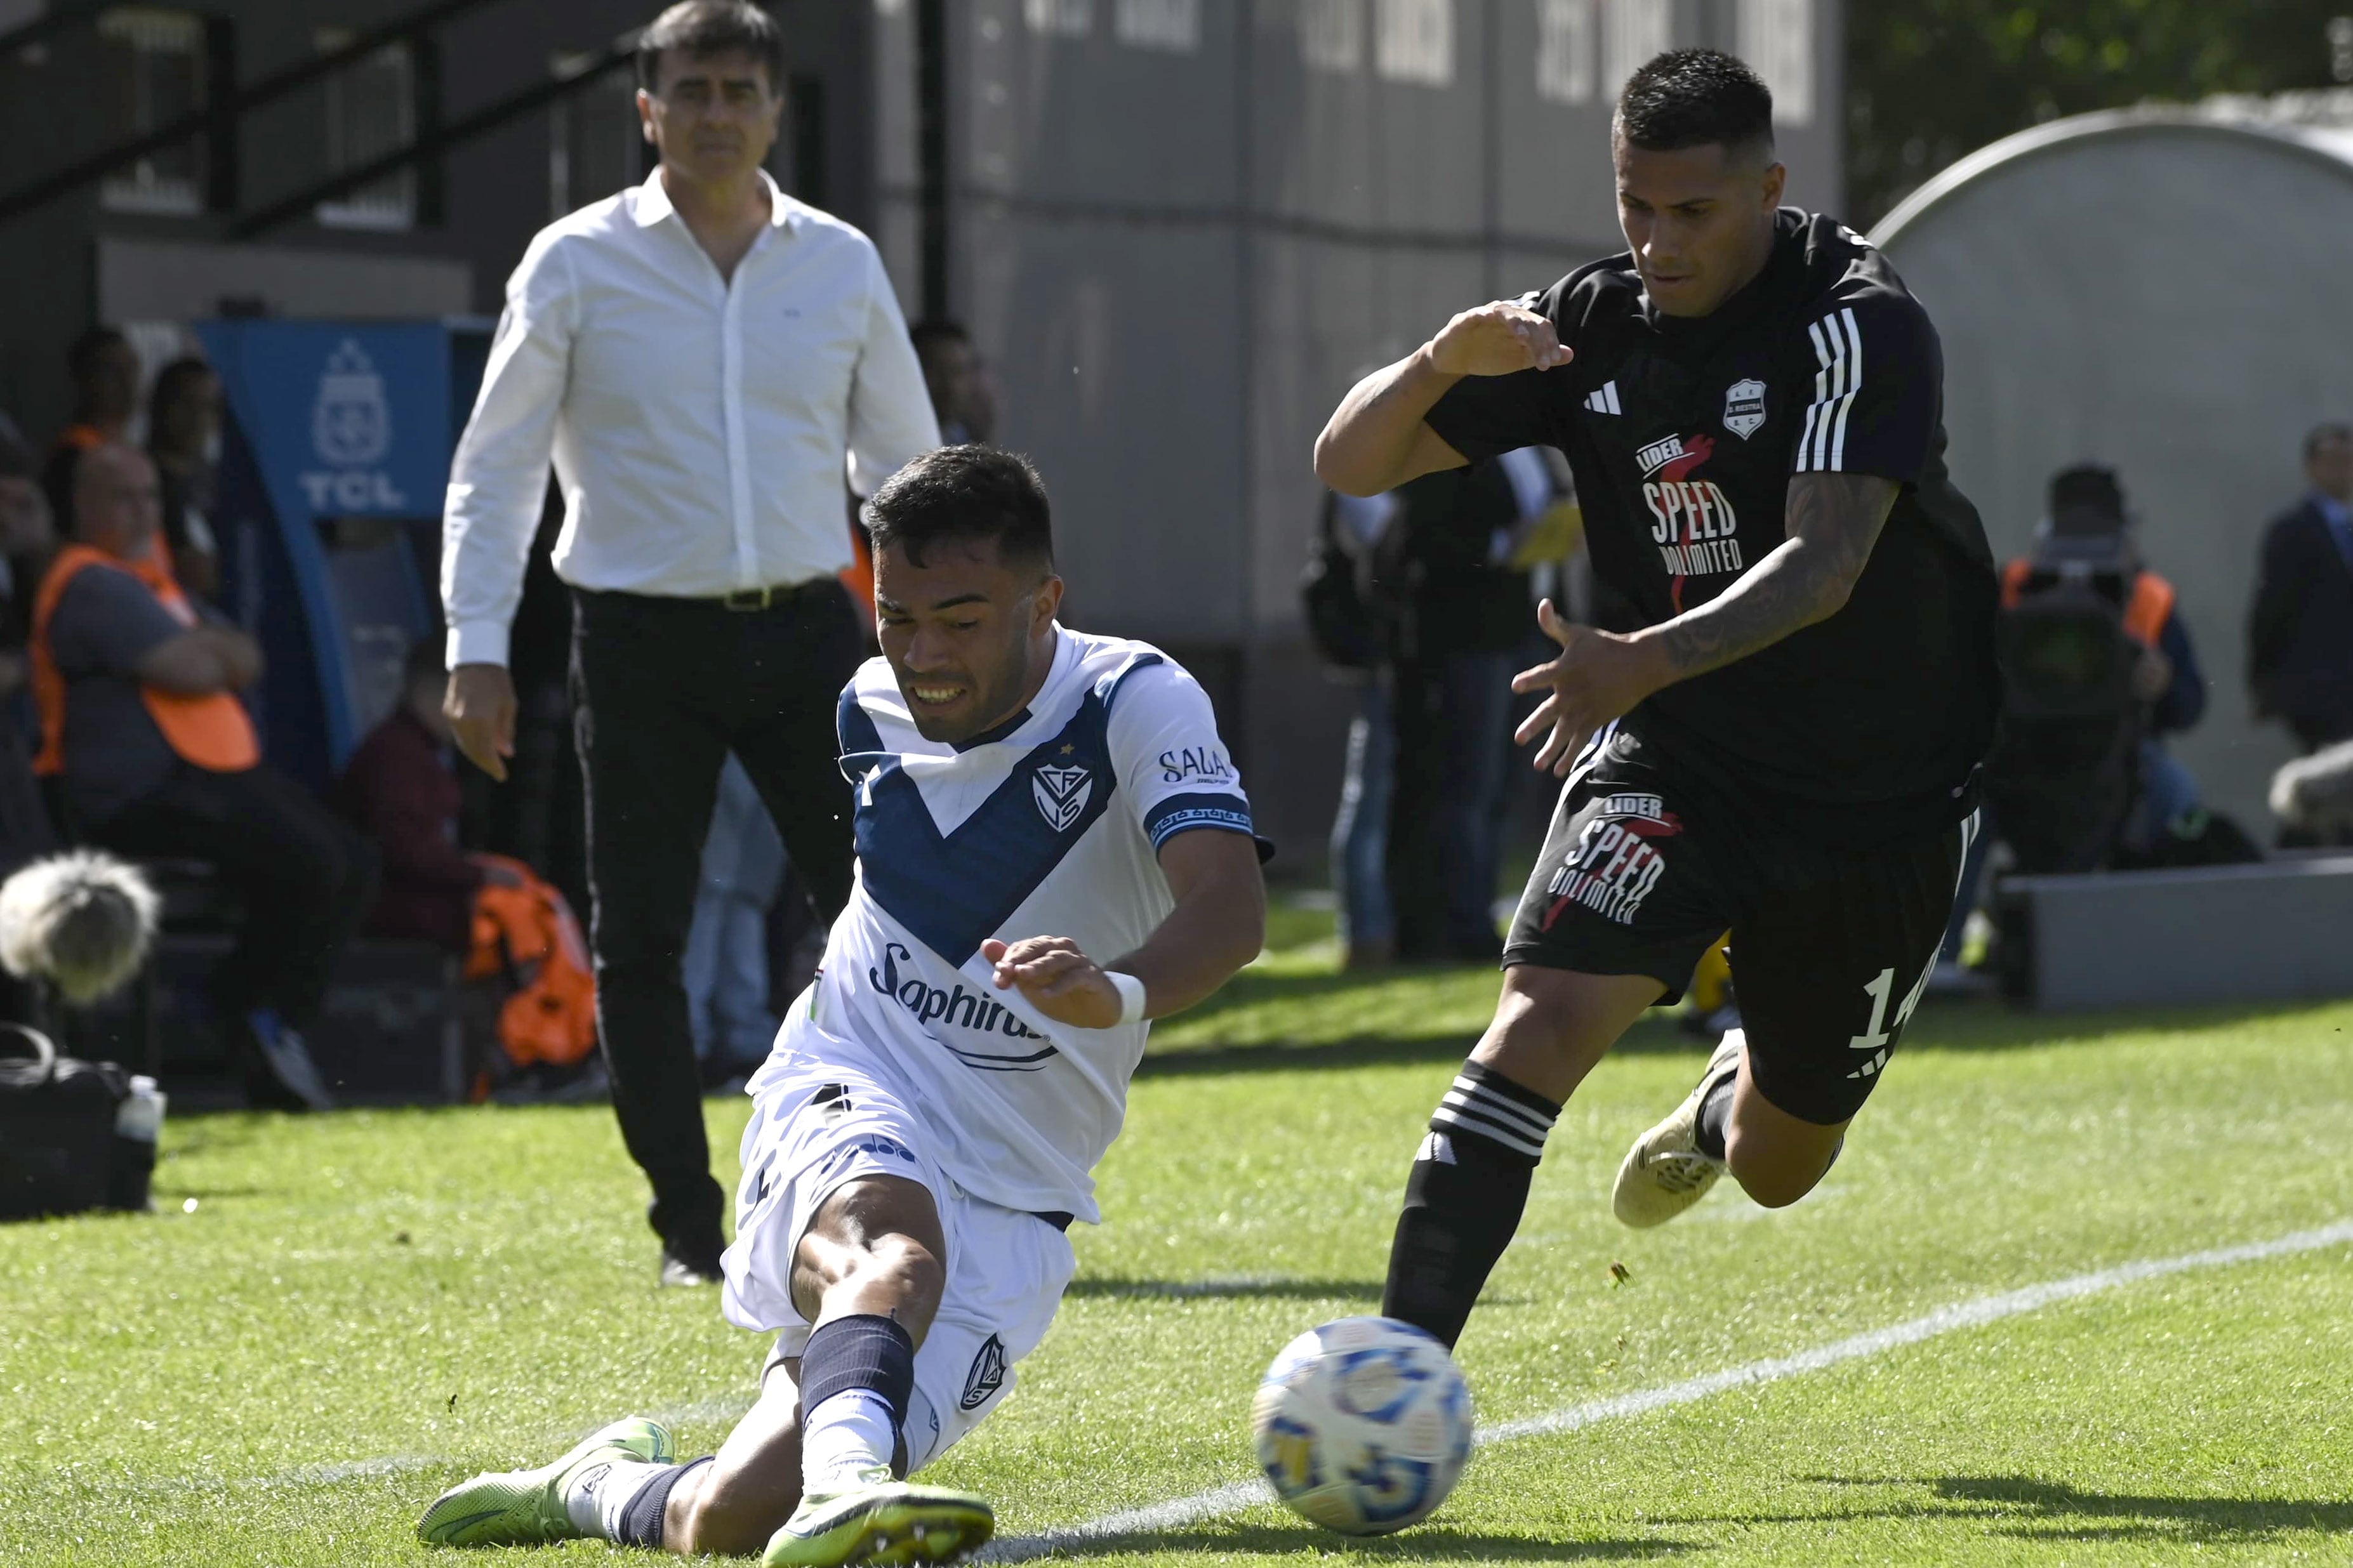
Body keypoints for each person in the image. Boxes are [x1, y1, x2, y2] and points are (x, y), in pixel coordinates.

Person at [415, 445, 1266, 1564]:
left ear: (1044, 600)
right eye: (896, 617)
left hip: (1021, 1185)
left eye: (960, 619)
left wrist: (1111, 991)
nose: (923, 656)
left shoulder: (1132, 702)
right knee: (894, 1250)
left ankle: (597, 1483)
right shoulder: (865, 705)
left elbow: (1231, 906)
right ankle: (851, 1481)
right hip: (852, 1073)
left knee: (729, 1519)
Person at [1313, 49, 1997, 1348]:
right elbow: (1350, 462)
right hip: (1680, 752)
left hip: (1878, 789)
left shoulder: (1853, 316)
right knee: (1537, 1017)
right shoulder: (1586, 321)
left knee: (1780, 1160)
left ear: (1767, 189)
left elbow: (1827, 560)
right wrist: (1430, 361)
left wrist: (1638, 656)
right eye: (1633, 205)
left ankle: (1723, 1088)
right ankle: (1397, 1366)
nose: (1655, 243)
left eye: (1691, 212)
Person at [441, 1, 940, 1284]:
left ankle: (902, 1179)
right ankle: (686, 1225)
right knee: (640, 938)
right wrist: (475, 646)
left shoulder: (837, 263)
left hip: (804, 629)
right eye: (690, 89)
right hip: (636, 639)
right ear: (646, 109)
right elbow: (494, 474)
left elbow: (902, 470)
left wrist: (944, 641)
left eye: (739, 89)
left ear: (775, 109)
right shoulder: (571, 261)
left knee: (883, 917)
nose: (716, 112)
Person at [30, 443, 377, 1110]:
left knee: (355, 859)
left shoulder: (155, 582)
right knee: (314, 861)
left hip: (211, 775)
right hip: (136, 794)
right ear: (83, 505)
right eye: (122, 496)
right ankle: (243, 1005)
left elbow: (246, 653)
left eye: (150, 496)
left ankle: (269, 1016)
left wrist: (203, 653)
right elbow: (192, 668)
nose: (141, 511)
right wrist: (202, 655)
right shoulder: (90, 581)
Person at [2249, 422, 2353, 756]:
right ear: (2311, 466)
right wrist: (2263, 684)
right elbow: (2271, 609)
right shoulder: (2293, 531)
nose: (2342, 470)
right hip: (2318, 691)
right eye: (2333, 460)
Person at [145, 357, 225, 603]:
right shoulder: (137, 481)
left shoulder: (221, 481)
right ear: (158, 405)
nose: (197, 418)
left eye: (208, 407)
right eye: (185, 404)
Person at [907, 319, 997, 446]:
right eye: (936, 372)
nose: (950, 386)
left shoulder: (972, 442)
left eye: (957, 372)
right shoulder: (899, 440)